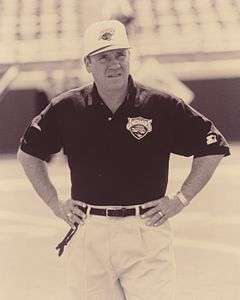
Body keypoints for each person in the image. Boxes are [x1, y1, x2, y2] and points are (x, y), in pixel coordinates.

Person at [18, 20, 230, 300]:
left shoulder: (161, 104)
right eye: (103, 56)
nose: (114, 63)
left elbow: (212, 145)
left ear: (130, 57)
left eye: (120, 54)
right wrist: (54, 203)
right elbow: (28, 153)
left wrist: (180, 199)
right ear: (88, 64)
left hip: (146, 230)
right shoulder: (66, 107)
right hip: (89, 232)